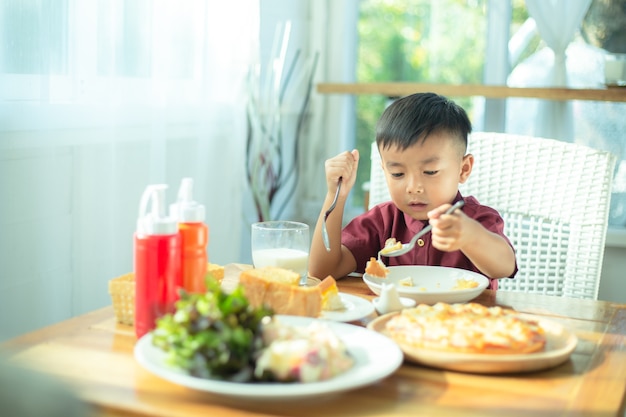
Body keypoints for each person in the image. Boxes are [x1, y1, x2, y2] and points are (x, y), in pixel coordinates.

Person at [309, 92, 517, 290]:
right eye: (398, 174)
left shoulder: (477, 219)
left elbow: (505, 266)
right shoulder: (383, 221)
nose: (413, 187)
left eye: (430, 171)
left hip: (467, 321)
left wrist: (471, 236)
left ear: (463, 169)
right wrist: (336, 195)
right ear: (385, 170)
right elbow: (322, 271)